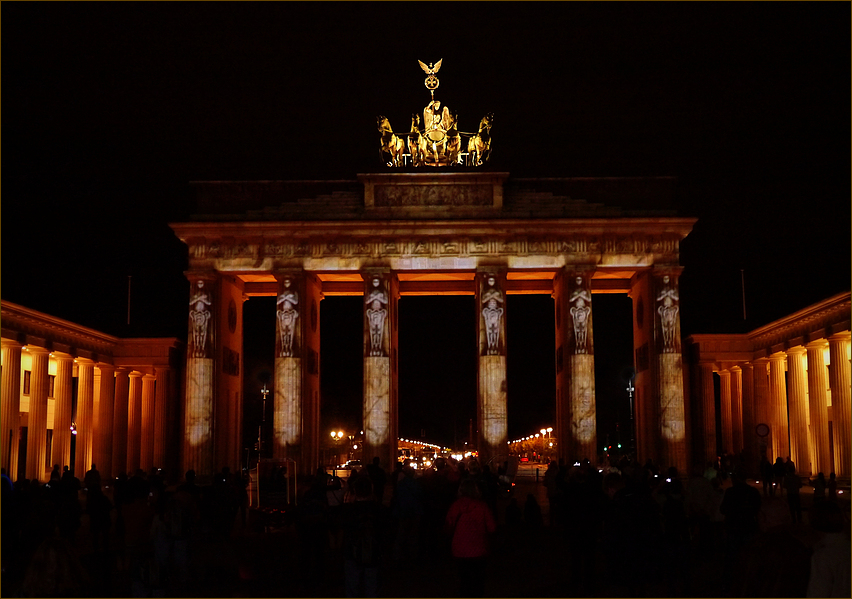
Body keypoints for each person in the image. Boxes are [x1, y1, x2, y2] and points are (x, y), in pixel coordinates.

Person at [445, 478, 496, 598]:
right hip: (479, 548)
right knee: (478, 581)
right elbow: (492, 527)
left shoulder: (455, 506)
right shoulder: (481, 506)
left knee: (464, 580)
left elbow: (448, 525)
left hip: (459, 549)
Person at [341, 476, 385, 597]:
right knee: (372, 586)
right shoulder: (379, 509)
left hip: (352, 552)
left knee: (352, 586)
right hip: (373, 551)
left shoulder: (349, 510)